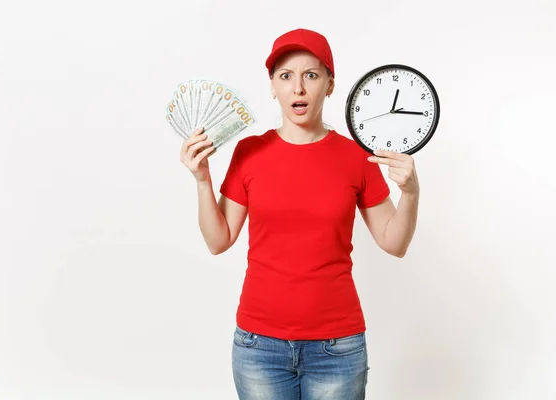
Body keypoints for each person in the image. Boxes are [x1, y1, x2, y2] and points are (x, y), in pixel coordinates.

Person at [179, 28, 419, 400]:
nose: (299, 88)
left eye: (311, 75)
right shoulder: (249, 151)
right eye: (286, 76)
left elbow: (395, 242)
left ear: (330, 84)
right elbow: (218, 240)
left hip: (337, 348)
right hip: (259, 347)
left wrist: (410, 192)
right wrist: (201, 179)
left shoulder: (358, 156)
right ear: (273, 86)